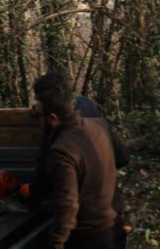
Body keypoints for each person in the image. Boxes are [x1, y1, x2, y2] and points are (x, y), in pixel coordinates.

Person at [30, 71, 128, 249]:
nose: (35, 120)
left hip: (88, 239)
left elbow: (67, 204)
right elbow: (123, 158)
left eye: (37, 115)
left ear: (52, 118)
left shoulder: (61, 150)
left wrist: (56, 243)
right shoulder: (99, 125)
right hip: (115, 228)